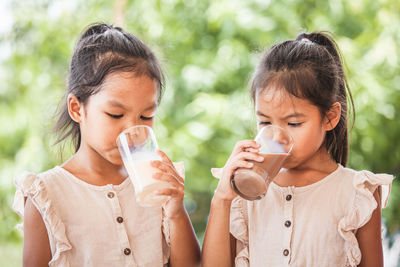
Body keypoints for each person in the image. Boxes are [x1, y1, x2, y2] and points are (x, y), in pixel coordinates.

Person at [13, 23, 200, 267]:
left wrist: (176, 212)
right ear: (77, 109)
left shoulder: (157, 184)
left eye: (146, 117)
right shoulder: (47, 195)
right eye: (115, 114)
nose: (131, 130)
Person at [202, 32, 394, 267]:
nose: (278, 136)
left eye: (293, 124)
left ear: (330, 117)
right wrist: (222, 198)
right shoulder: (243, 193)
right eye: (264, 122)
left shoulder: (357, 194)